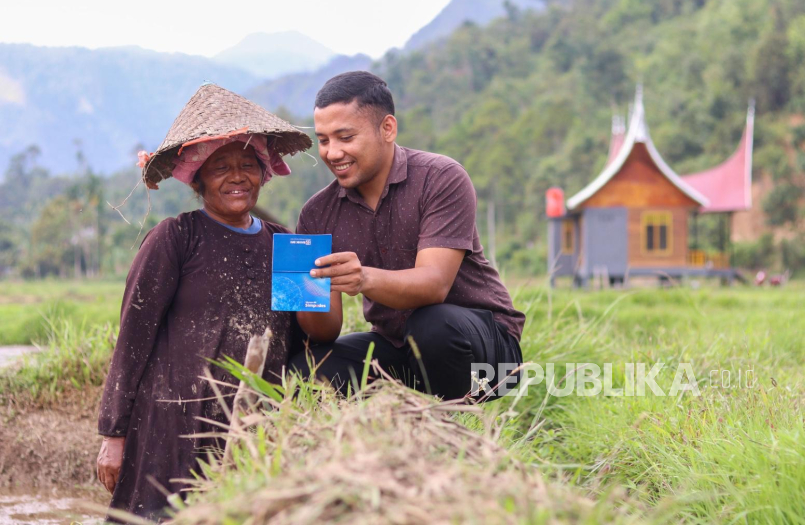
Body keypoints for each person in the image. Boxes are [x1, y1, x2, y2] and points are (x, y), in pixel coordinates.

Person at [96, 84, 311, 522]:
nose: (237, 177)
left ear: (264, 172)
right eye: (220, 167)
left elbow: (305, 339)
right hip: (171, 428)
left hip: (254, 425)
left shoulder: (289, 247)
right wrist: (113, 434)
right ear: (197, 178)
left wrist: (326, 282)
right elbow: (133, 340)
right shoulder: (175, 239)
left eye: (248, 165)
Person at [289, 71, 524, 399]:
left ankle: (454, 429)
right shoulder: (317, 214)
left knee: (432, 325)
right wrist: (305, 289)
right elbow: (324, 332)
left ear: (387, 128)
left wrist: (362, 279)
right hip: (399, 350)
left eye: (345, 137)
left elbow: (434, 285)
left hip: (488, 361)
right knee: (305, 369)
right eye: (324, 140)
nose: (332, 153)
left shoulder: (441, 179)